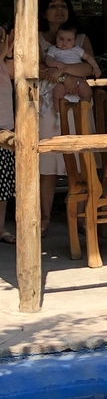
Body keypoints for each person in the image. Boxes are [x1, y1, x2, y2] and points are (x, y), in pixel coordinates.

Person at [38, 0, 97, 237]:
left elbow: (88, 68)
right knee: (48, 164)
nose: (58, 9)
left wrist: (64, 74)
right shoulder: (38, 40)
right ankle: (44, 218)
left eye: (63, 5)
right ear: (44, 12)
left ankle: (83, 216)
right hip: (50, 106)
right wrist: (66, 77)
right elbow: (39, 70)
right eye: (53, 5)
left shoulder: (81, 39)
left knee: (82, 161)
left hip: (78, 106)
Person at [44, 20, 101, 102]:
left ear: (74, 41)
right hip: (61, 81)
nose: (64, 42)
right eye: (61, 38)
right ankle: (59, 114)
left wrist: (96, 67)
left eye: (69, 40)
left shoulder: (77, 50)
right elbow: (48, 60)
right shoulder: (53, 49)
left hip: (78, 79)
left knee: (88, 93)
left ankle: (83, 111)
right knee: (57, 94)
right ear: (56, 37)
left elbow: (88, 57)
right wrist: (55, 63)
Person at [0, 27, 14, 244]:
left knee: (2, 187)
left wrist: (8, 52)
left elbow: (15, 74)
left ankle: (0, 228)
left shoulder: (4, 62)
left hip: (6, 128)